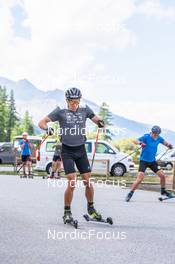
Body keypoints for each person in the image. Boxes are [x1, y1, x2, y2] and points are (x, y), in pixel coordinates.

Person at [38, 87, 105, 222]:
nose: (74, 104)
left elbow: (97, 120)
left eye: (76, 101)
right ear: (67, 100)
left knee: (87, 181)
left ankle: (91, 209)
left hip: (80, 150)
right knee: (72, 182)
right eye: (72, 102)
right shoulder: (60, 110)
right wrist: (47, 128)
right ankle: (67, 212)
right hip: (67, 150)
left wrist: (100, 123)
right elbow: (41, 122)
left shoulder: (85, 109)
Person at [125, 125, 174, 202]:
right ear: (152, 132)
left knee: (162, 176)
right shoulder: (146, 137)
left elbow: (165, 143)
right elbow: (135, 140)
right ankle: (130, 193)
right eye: (155, 134)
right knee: (139, 179)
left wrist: (169, 145)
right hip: (143, 161)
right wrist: (140, 143)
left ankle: (163, 191)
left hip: (152, 161)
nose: (156, 136)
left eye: (157, 134)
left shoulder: (158, 138)